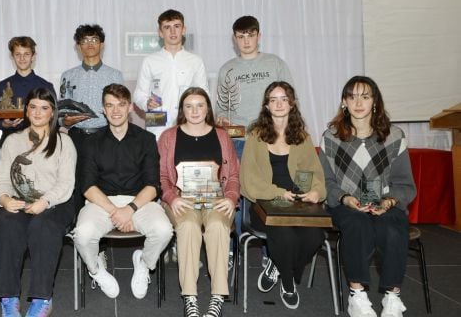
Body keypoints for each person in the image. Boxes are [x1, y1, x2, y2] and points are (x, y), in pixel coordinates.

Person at [319, 76, 416, 317]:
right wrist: (344, 199)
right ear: (344, 102)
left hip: (384, 201)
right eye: (352, 96)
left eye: (365, 96)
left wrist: (388, 202)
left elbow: (405, 183)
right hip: (346, 204)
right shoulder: (331, 138)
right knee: (358, 223)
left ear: (375, 102)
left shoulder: (394, 136)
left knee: (392, 226)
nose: (358, 102)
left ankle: (392, 298)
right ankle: (357, 295)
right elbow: (326, 183)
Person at [73, 84, 173, 300]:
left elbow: (153, 185)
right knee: (82, 234)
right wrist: (116, 212)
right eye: (110, 105)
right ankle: (96, 270)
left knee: (164, 230)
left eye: (121, 105)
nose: (115, 110)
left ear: (130, 108)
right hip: (101, 203)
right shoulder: (91, 142)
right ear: (103, 109)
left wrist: (129, 209)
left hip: (139, 202)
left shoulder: (146, 140)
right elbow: (88, 187)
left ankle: (144, 264)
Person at [240, 81, 326, 310]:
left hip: (297, 201)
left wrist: (316, 191)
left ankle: (277, 266)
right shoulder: (255, 136)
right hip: (266, 202)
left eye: (283, 99)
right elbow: (248, 179)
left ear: (292, 103)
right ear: (266, 106)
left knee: (314, 238)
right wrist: (279, 193)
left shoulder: (302, 137)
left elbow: (314, 172)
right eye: (273, 99)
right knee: (285, 236)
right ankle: (288, 284)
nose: (278, 104)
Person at [0, 87, 76, 317]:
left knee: (42, 226)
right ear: (26, 111)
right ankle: (9, 298)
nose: (38, 112)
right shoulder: (12, 141)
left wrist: (46, 202)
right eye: (33, 107)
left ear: (52, 113)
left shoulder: (63, 142)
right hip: (20, 200)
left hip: (57, 202)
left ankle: (42, 298)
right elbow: (1, 178)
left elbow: (66, 183)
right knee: (8, 221)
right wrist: (4, 198)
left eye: (44, 108)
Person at [158, 87, 240, 317]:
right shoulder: (168, 137)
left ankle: (217, 297)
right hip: (181, 201)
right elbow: (163, 177)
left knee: (216, 226)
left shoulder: (222, 136)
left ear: (208, 108)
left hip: (217, 200)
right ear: (182, 110)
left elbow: (233, 175)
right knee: (188, 227)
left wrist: (231, 198)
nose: (195, 110)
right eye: (189, 106)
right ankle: (190, 297)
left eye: (200, 105)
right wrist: (171, 198)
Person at [59, 24, 124, 211]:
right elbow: (62, 112)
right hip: (77, 136)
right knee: (77, 179)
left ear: (101, 44)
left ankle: (106, 220)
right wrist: (65, 122)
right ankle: (77, 225)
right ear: (78, 46)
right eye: (84, 40)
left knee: (104, 179)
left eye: (94, 40)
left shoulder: (115, 75)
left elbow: (120, 109)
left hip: (104, 134)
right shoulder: (68, 76)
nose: (90, 44)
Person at [214, 15, 294, 156]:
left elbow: (292, 99)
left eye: (251, 35)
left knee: (274, 178)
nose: (246, 41)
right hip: (238, 140)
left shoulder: (275, 63)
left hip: (272, 136)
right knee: (240, 178)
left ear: (259, 36)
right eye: (241, 36)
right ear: (234, 39)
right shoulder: (226, 69)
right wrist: (222, 119)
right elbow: (221, 109)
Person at [133, 9, 209, 138]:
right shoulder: (149, 61)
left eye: (177, 26)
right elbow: (139, 94)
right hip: (157, 123)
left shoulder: (196, 61)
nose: (172, 32)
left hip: (188, 122)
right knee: (159, 157)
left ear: (183, 30)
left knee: (185, 157)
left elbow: (204, 94)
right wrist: (146, 103)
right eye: (167, 27)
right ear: (160, 33)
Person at [0, 36, 55, 146]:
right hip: (10, 141)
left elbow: (54, 119)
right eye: (18, 54)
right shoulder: (2, 86)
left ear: (33, 56)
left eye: (26, 54)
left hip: (40, 142)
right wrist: (5, 124)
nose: (22, 58)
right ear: (12, 56)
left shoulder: (46, 86)